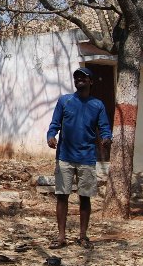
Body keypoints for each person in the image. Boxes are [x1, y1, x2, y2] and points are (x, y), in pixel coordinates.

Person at [46, 66, 112, 250]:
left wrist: (107, 139)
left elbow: (105, 128)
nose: (79, 80)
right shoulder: (65, 101)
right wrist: (51, 136)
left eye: (83, 77)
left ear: (91, 81)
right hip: (65, 156)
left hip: (87, 157)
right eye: (76, 77)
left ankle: (83, 237)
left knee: (85, 197)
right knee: (62, 196)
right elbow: (54, 124)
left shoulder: (97, 105)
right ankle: (61, 237)